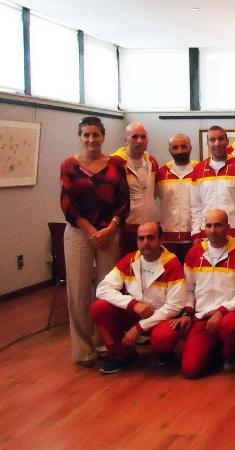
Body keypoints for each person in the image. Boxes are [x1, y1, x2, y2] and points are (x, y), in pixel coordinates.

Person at [61, 116, 129, 367]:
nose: (91, 139)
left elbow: (123, 203)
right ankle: (83, 348)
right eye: (86, 135)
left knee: (107, 290)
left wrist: (109, 230)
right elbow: (67, 204)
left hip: (110, 233)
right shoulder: (69, 165)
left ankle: (106, 343)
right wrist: (92, 231)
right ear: (80, 137)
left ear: (103, 136)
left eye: (96, 134)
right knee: (78, 292)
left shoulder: (116, 165)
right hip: (80, 233)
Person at [91, 222, 185, 374]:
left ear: (161, 239)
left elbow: (174, 306)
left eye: (150, 238)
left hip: (161, 318)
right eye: (141, 238)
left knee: (163, 338)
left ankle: (164, 352)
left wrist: (138, 328)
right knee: (99, 307)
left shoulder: (172, 264)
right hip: (135, 313)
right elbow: (102, 288)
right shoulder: (129, 260)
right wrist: (132, 304)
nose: (145, 243)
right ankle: (122, 355)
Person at [179, 209, 235, 378]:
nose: (213, 230)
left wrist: (222, 310)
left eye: (218, 225)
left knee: (231, 325)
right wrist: (188, 312)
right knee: (190, 371)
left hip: (229, 315)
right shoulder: (193, 253)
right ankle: (214, 349)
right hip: (202, 317)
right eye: (209, 225)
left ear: (228, 228)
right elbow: (189, 289)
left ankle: (230, 351)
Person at [190, 126, 235, 246]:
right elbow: (196, 206)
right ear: (207, 143)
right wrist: (196, 233)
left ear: (227, 141)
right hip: (207, 235)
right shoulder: (198, 169)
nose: (217, 143)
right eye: (212, 140)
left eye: (221, 139)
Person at [112, 123, 159, 255]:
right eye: (135, 137)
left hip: (147, 226)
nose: (139, 141)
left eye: (143, 137)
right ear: (125, 140)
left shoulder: (152, 162)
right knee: (126, 268)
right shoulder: (114, 163)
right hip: (124, 228)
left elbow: (153, 192)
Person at [156, 134, 198, 260]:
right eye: (175, 147)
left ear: (190, 148)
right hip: (168, 239)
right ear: (169, 150)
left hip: (194, 237)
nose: (179, 151)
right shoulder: (161, 173)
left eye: (183, 146)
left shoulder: (200, 170)